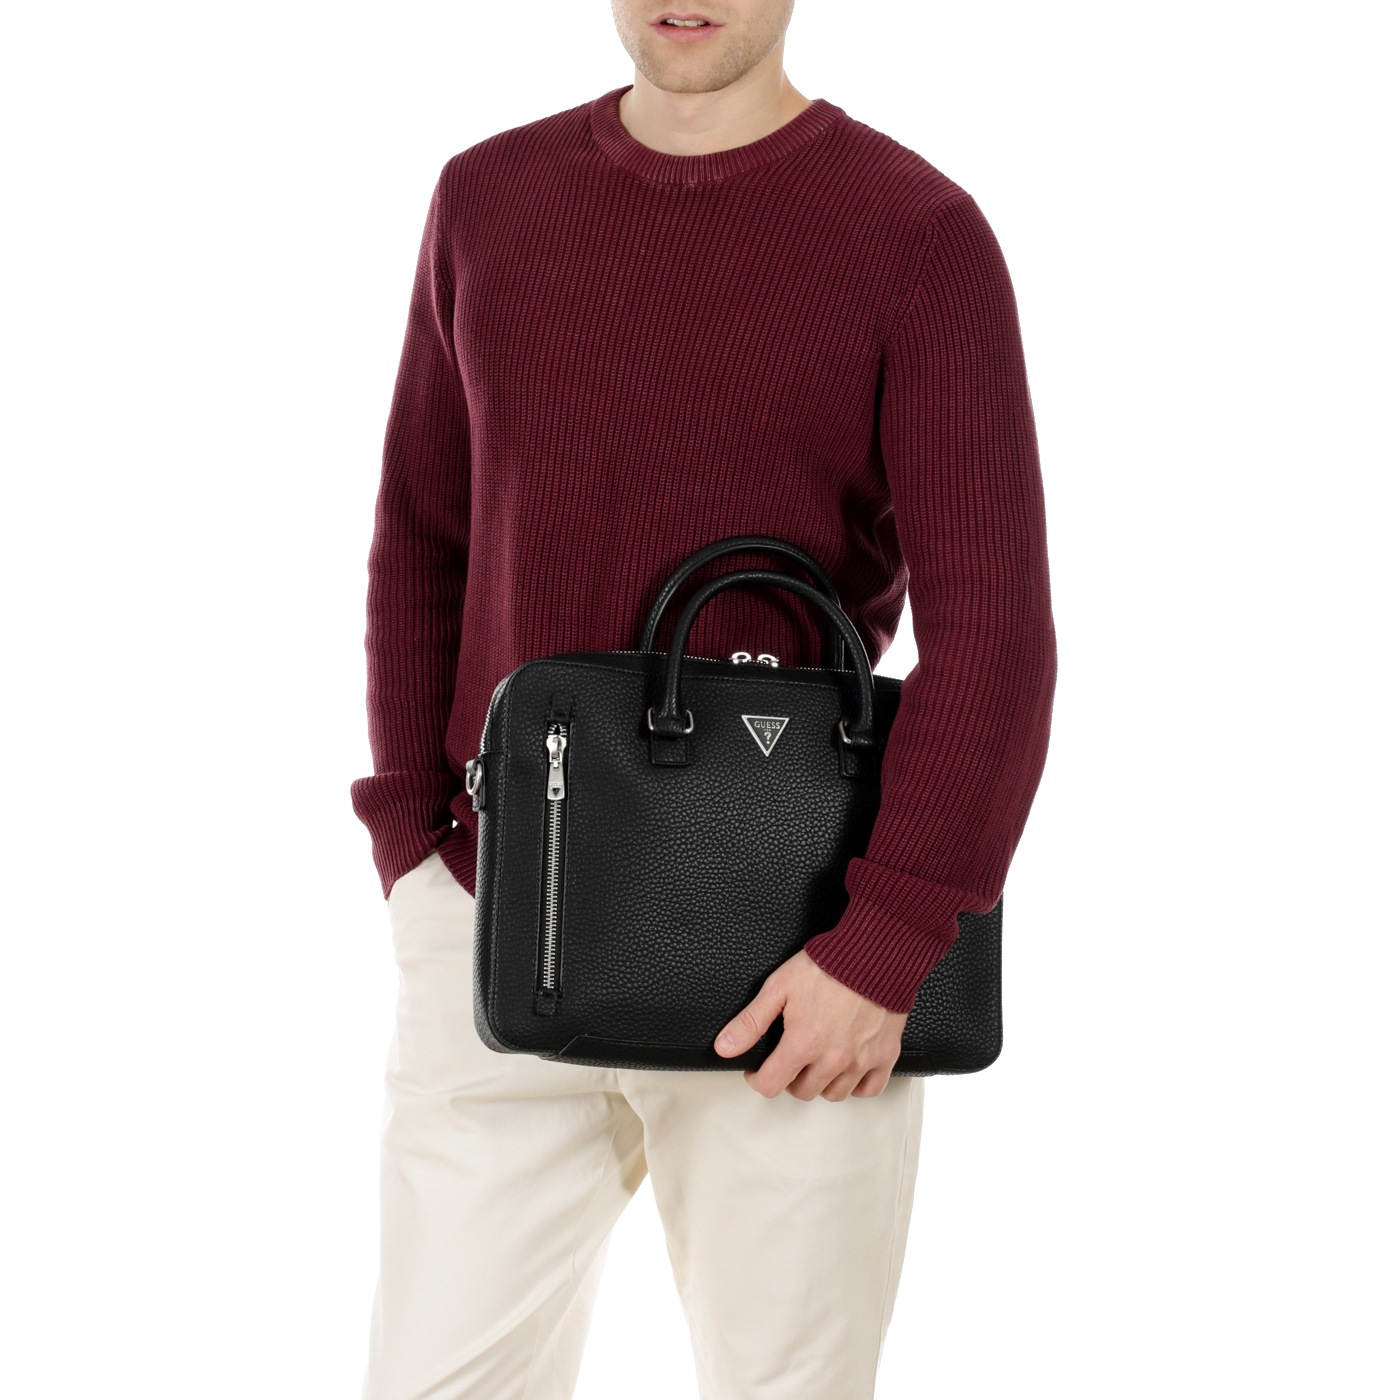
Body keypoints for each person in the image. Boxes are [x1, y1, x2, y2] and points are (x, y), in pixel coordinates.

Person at [350, 2, 1056, 1396]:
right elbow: (425, 536)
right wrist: (415, 849)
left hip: (795, 960)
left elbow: (996, 632)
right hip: (501, 917)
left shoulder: (915, 233)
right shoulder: (487, 199)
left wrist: (886, 945)